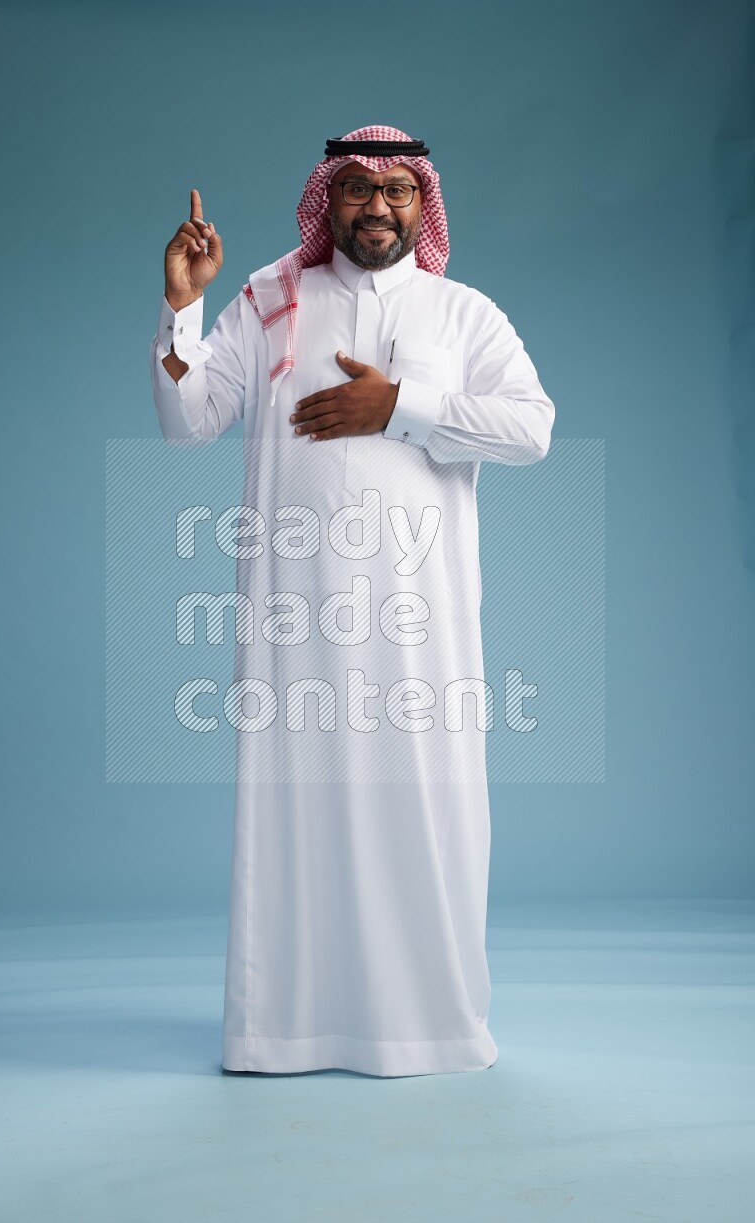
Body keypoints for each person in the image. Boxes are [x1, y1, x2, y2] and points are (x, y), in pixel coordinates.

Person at [150, 125, 555, 1077]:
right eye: (359, 189)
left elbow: (532, 428)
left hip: (423, 640)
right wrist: (181, 310)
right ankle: (284, 1030)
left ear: (425, 204)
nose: (379, 207)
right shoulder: (268, 300)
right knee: (300, 825)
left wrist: (399, 407)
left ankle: (431, 1028)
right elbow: (185, 423)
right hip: (298, 632)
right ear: (326, 199)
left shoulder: (464, 316)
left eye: (399, 191)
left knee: (427, 818)